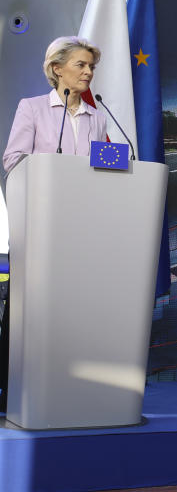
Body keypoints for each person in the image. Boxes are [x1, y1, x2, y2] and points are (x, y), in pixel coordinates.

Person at [1, 36, 106, 412]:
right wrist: (49, 168)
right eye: (81, 64)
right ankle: (12, 390)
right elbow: (13, 159)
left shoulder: (98, 116)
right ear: (56, 68)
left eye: (91, 66)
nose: (88, 72)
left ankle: (69, 386)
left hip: (82, 229)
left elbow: (106, 166)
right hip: (39, 226)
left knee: (75, 308)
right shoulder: (32, 108)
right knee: (28, 311)